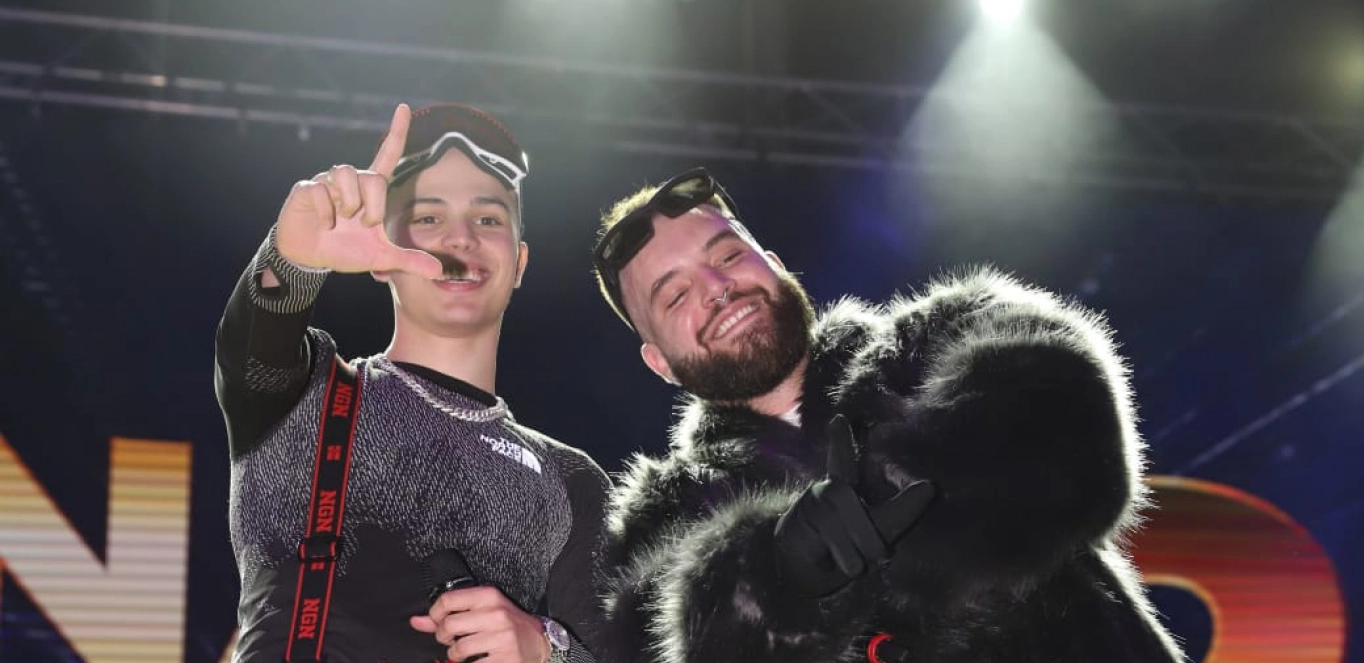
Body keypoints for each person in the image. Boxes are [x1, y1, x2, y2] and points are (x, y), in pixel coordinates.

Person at [586, 166, 1186, 663]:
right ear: (659, 362)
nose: (717, 288)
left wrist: (883, 516)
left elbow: (1073, 439)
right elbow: (653, 642)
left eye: (727, 255)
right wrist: (770, 583)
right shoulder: (663, 529)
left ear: (773, 264)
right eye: (676, 295)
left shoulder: (950, 337)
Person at [213, 102, 608, 663]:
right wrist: (293, 258)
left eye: (488, 219)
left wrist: (547, 649)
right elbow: (252, 346)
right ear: (381, 255)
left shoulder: (571, 480)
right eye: (427, 218)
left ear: (520, 263)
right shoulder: (304, 394)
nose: (460, 238)